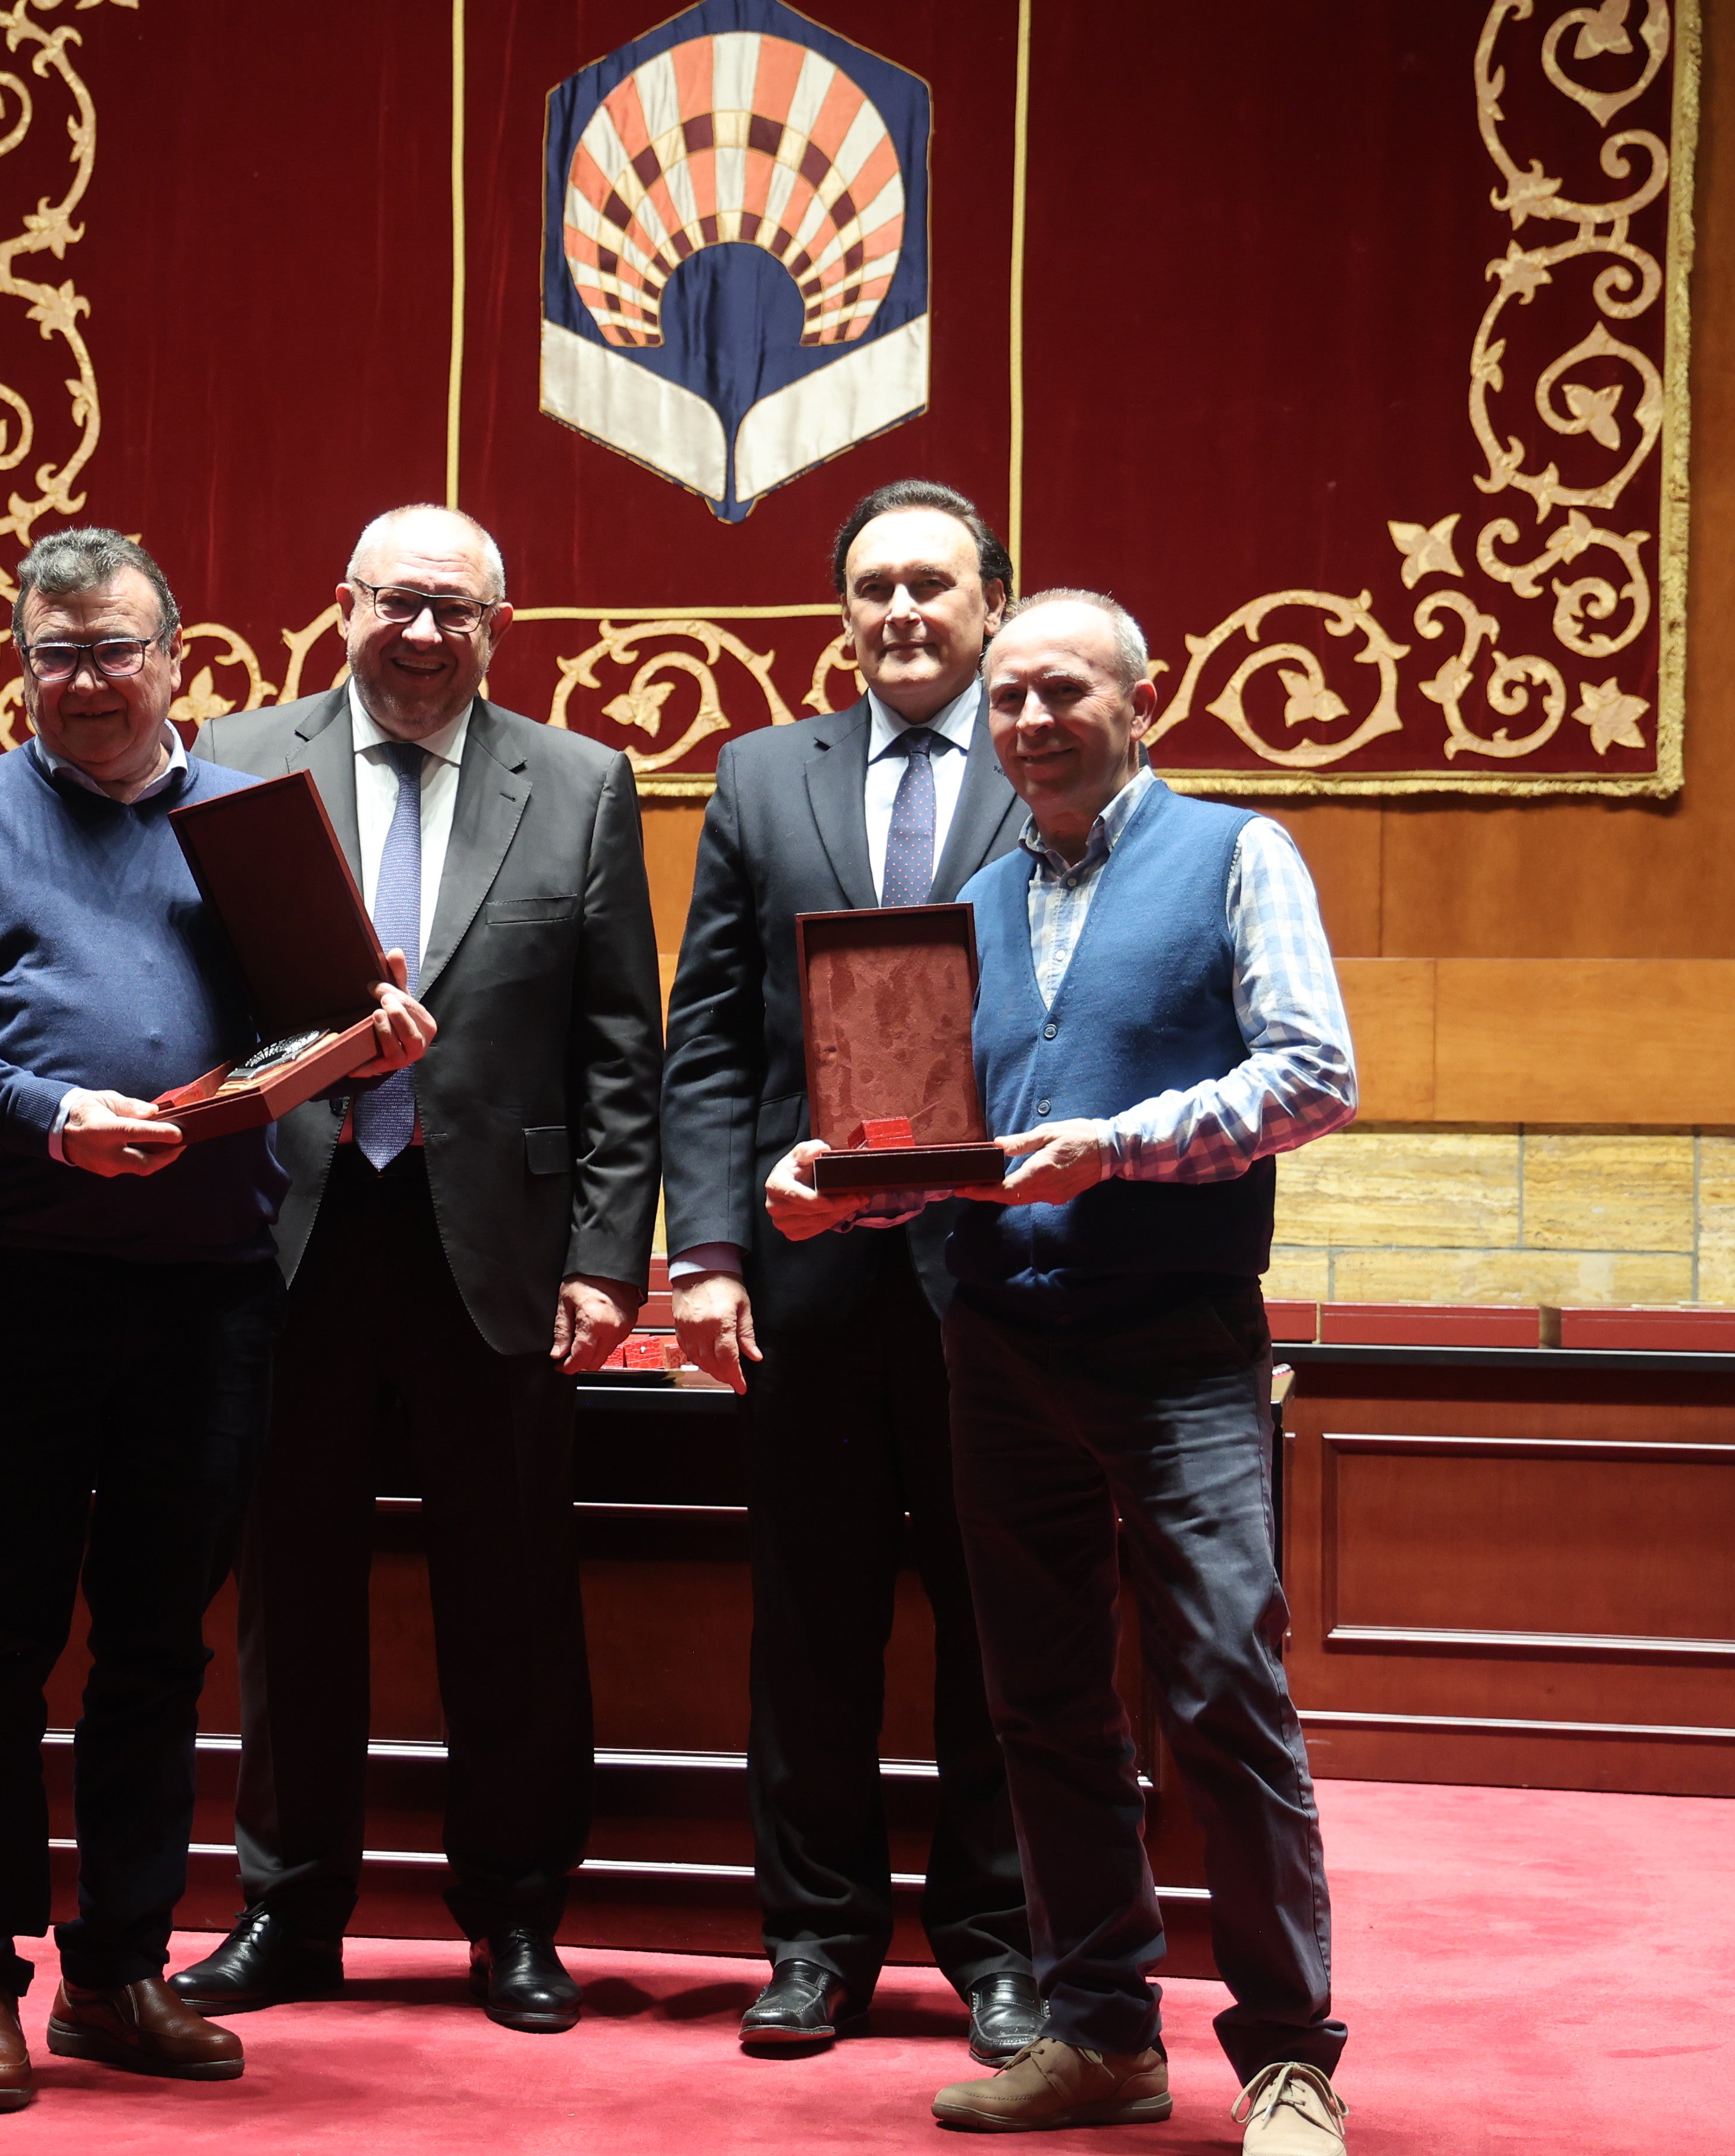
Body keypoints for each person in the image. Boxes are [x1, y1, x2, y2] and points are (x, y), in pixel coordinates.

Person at [0, 526, 434, 2113]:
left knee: (161, 1650)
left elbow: (322, 1021)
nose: (86, 681)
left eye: (113, 650)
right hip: (14, 1289)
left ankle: (117, 1968)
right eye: (55, 654)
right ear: (18, 666)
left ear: (181, 660)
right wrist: (41, 1112)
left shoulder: (247, 825)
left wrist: (369, 1038)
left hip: (209, 1299)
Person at [765, 590, 1359, 2154]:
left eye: (1065, 690)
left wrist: (1124, 1149)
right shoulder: (969, 897)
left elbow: (1315, 1072)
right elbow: (952, 1155)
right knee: (1040, 1704)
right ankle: (1102, 2034)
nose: (1032, 719)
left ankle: (1288, 2057)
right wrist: (830, 1184)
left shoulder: (1239, 854)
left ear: (1141, 698)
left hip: (1178, 1350)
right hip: (999, 1349)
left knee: (1223, 1688)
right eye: (1011, 694)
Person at [176, 505, 659, 2034]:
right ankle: (290, 1909)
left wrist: (608, 1257)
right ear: (344, 607)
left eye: (458, 611)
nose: (427, 635)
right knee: (291, 1598)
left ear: (499, 628)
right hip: (291, 1235)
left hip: (497, 1258)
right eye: (400, 604)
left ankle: (516, 1918)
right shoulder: (241, 761)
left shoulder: (579, 785)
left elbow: (619, 1051)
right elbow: (188, 994)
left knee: (510, 1601)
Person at [659, 478, 1041, 2057]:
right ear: (843, 609)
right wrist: (710, 1251)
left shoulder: (1054, 760)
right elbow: (709, 1040)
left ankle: (1002, 1946)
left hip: (1007, 1285)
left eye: (933, 585)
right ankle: (815, 1940)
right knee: (809, 1625)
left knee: (1002, 1621)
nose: (901, 611)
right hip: (808, 1284)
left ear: (993, 602)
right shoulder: (761, 779)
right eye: (873, 585)